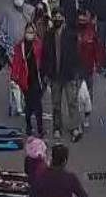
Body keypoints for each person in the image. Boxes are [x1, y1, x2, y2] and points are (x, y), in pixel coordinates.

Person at [43, 9, 83, 142]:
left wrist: (76, 73)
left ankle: (74, 127)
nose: (57, 19)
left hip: (68, 75)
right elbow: (45, 56)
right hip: (54, 75)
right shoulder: (48, 35)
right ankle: (57, 128)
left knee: (72, 102)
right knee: (56, 104)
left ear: (64, 19)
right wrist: (46, 73)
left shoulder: (70, 35)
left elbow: (76, 55)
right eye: (55, 17)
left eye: (60, 16)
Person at [10, 23, 46, 136]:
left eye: (31, 32)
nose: (29, 34)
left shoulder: (39, 45)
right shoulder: (20, 46)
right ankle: (29, 126)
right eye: (28, 32)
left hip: (37, 79)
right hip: (25, 79)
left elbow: (43, 60)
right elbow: (16, 62)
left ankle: (39, 128)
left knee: (38, 104)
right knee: (29, 104)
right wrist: (14, 76)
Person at [76, 9, 105, 128]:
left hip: (88, 69)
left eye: (84, 16)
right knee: (76, 95)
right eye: (80, 16)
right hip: (76, 69)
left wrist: (98, 65)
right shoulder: (73, 31)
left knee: (88, 95)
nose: (82, 18)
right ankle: (77, 118)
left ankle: (86, 116)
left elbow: (98, 50)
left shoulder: (92, 32)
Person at [0, 0, 35, 72]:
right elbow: (2, 30)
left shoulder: (30, 10)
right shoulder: (7, 12)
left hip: (26, 46)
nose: (18, 0)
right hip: (12, 48)